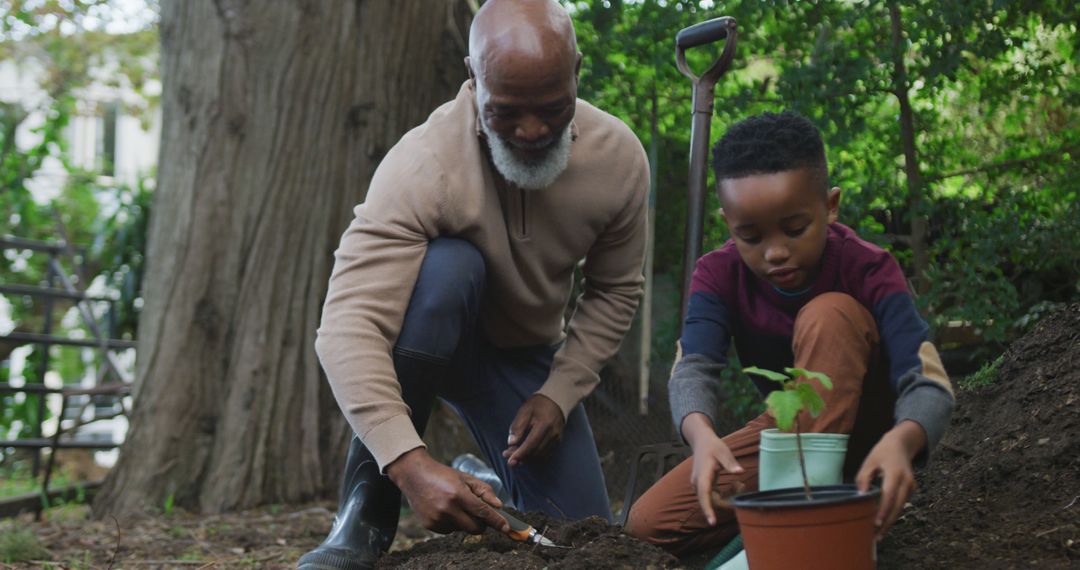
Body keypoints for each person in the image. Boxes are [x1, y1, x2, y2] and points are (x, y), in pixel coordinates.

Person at [297, 1, 649, 568]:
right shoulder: (423, 164)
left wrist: (559, 394)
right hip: (432, 334)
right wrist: (408, 463)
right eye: (507, 112)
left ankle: (485, 477)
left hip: (527, 356)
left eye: (553, 109)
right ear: (473, 78)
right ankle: (365, 508)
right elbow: (346, 328)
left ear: (577, 71)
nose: (532, 131)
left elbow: (613, 291)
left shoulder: (619, 160)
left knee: (580, 538)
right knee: (450, 266)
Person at [626, 110, 955, 556]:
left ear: (830, 206)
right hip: (793, 441)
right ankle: (793, 518)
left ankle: (809, 534)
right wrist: (701, 436)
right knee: (648, 525)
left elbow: (928, 379)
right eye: (751, 236)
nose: (776, 252)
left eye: (795, 229)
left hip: (874, 440)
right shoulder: (719, 274)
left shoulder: (867, 266)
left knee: (829, 314)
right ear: (728, 223)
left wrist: (903, 440)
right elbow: (694, 367)